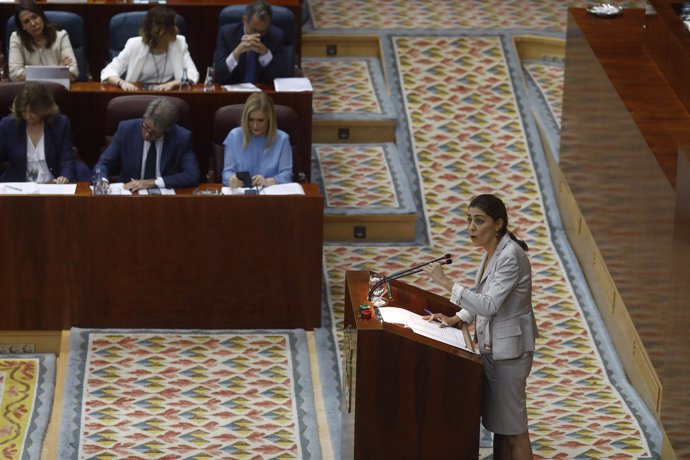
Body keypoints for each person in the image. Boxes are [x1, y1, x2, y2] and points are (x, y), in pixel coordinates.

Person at [421, 194, 538, 460]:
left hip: (510, 352)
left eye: (479, 221)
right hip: (494, 347)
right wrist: (458, 317)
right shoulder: (494, 251)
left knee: (515, 430)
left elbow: (489, 305)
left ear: (498, 224)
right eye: (469, 220)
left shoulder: (510, 256)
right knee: (501, 427)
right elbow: (483, 293)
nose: (471, 227)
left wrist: (447, 284)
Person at [93, 97, 200, 191]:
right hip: (130, 195)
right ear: (144, 117)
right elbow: (103, 163)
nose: (147, 135)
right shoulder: (126, 129)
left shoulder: (182, 137)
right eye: (146, 127)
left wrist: (153, 182)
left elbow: (192, 175)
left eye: (154, 132)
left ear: (167, 130)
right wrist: (101, 180)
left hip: (165, 198)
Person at [100, 6, 199, 91]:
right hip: (138, 94)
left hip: (169, 95)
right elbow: (108, 71)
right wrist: (122, 83)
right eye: (172, 26)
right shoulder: (134, 44)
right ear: (159, 31)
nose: (177, 30)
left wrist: (173, 84)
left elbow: (192, 74)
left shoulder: (179, 42)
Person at [0, 81, 75, 183]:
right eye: (23, 111)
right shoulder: (8, 125)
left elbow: (66, 158)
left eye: (33, 112)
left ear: (44, 108)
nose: (27, 116)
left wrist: (64, 177)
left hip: (52, 185)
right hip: (18, 187)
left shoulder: (60, 124)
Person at [222, 92, 292, 187]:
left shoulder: (282, 139)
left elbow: (287, 176)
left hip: (271, 197)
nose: (255, 125)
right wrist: (231, 179)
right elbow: (227, 174)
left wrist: (269, 181)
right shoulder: (234, 136)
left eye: (260, 120)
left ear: (269, 119)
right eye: (251, 120)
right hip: (242, 196)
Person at [214, 0, 287, 85]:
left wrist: (265, 54)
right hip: (233, 92)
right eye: (254, 30)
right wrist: (236, 52)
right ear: (245, 20)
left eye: (262, 31)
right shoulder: (227, 34)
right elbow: (219, 76)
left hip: (263, 93)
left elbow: (281, 78)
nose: (257, 35)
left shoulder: (277, 37)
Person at [8, 0, 79, 82]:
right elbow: (14, 75)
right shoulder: (16, 39)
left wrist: (29, 74)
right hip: (31, 92)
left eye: (35, 17)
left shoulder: (61, 36)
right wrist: (58, 69)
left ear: (41, 17)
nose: (33, 24)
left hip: (58, 90)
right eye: (26, 21)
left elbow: (73, 72)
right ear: (23, 26)